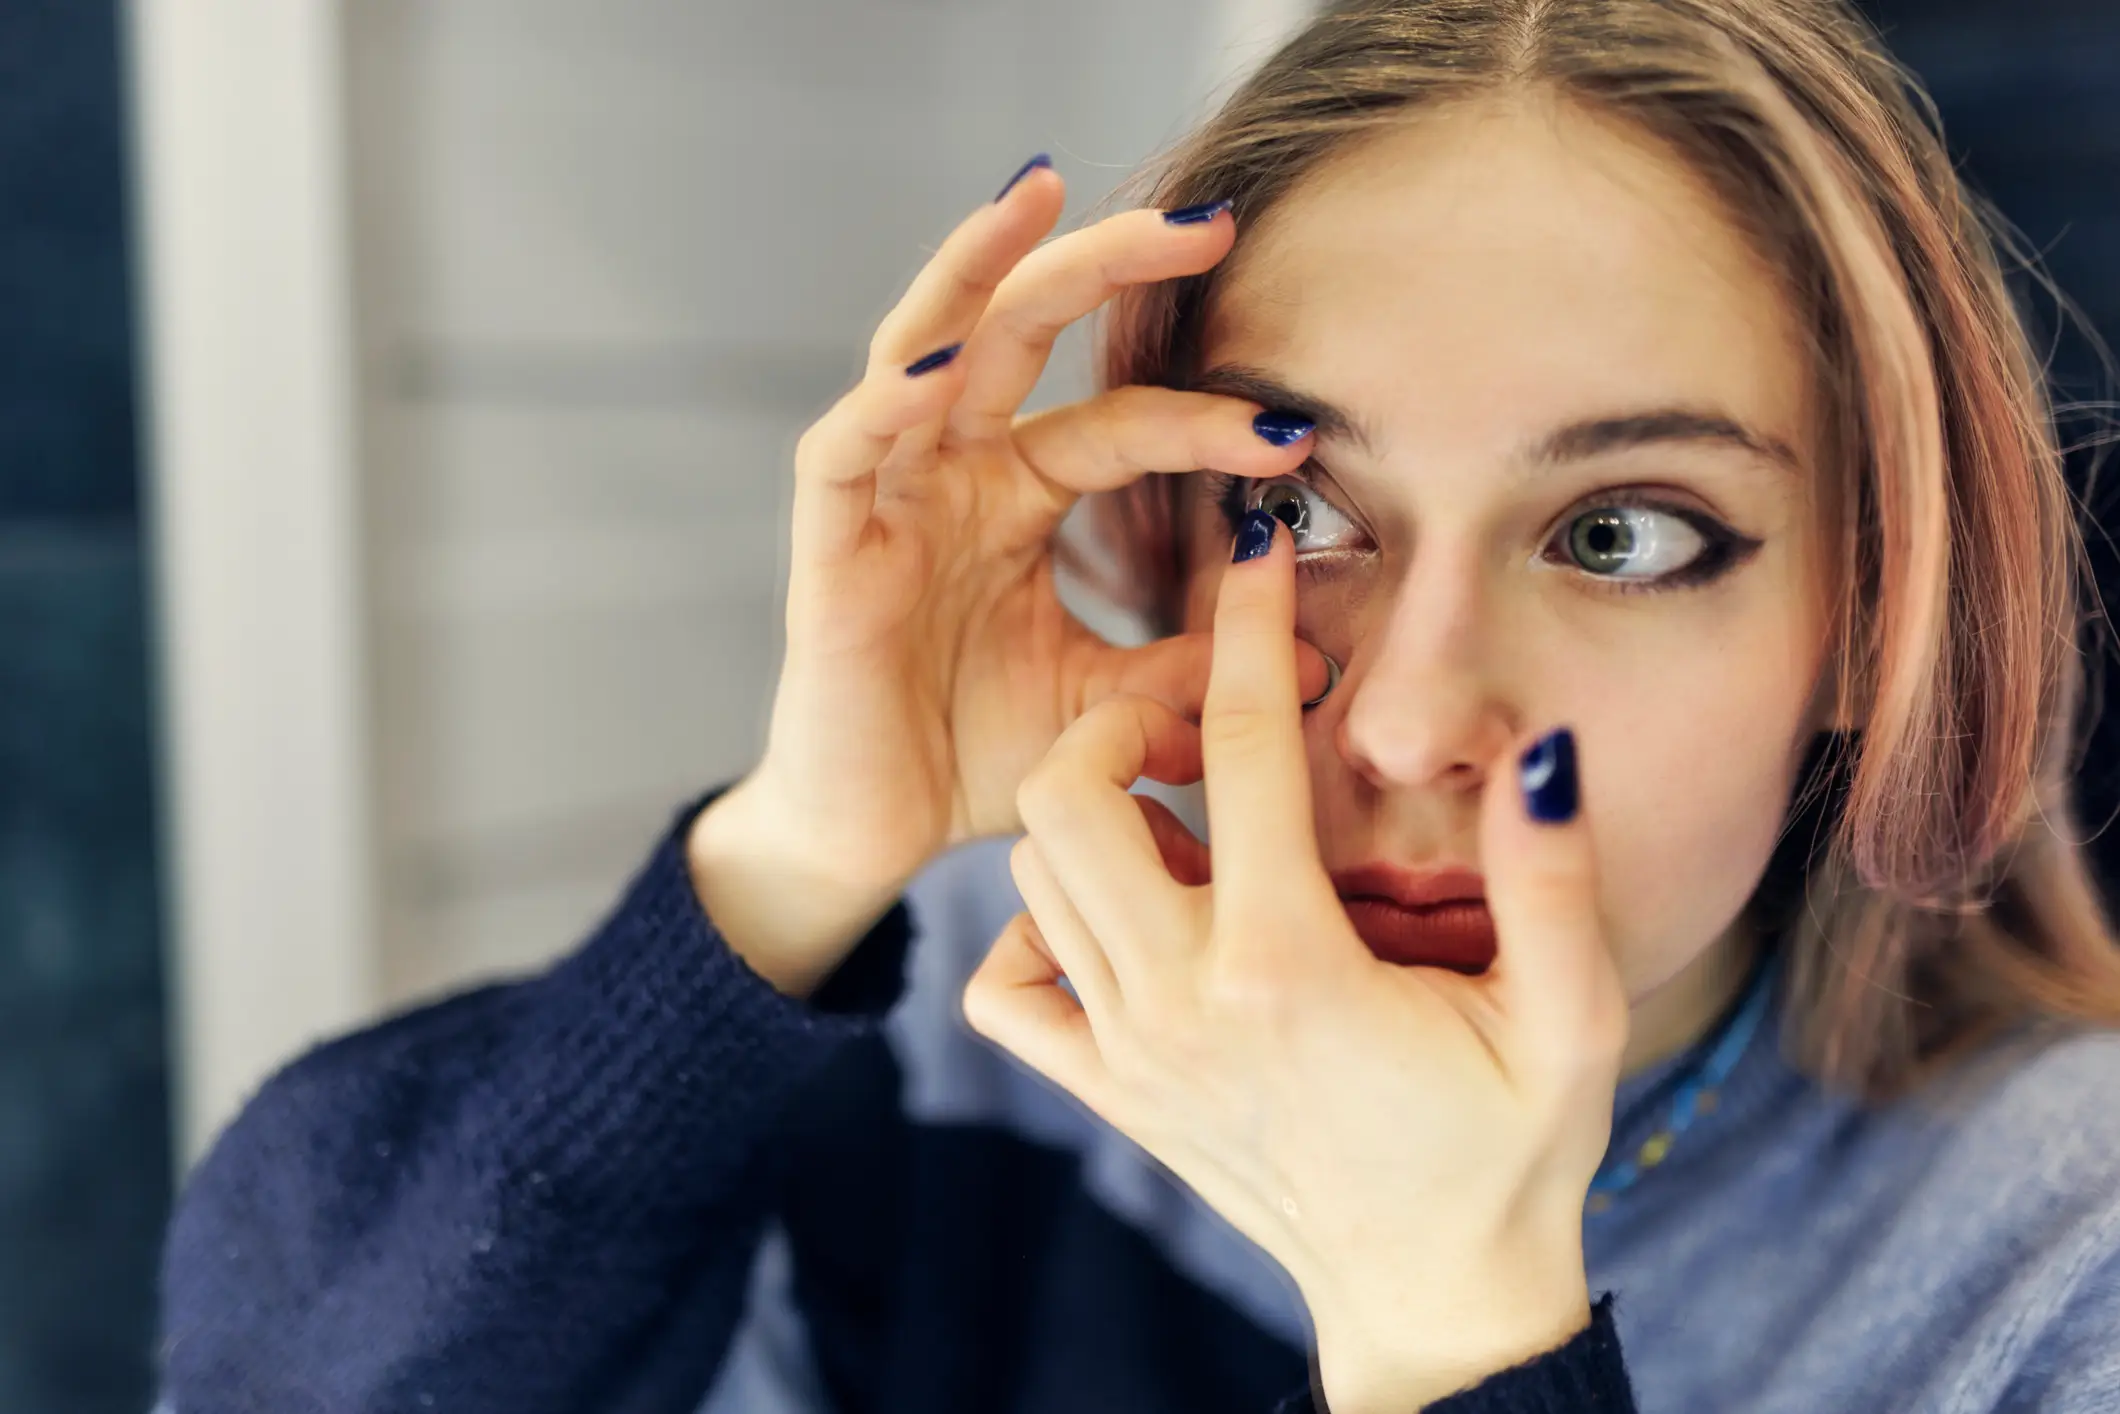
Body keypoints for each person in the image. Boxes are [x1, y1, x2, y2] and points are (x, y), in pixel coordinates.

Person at [155, 1, 2120, 1410]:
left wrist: (1447, 1317)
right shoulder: (944, 1026)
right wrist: (796, 852)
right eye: (1294, 504)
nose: (1412, 715)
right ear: (1169, 521)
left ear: (1871, 609)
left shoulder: (2055, 1260)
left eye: (1619, 532)